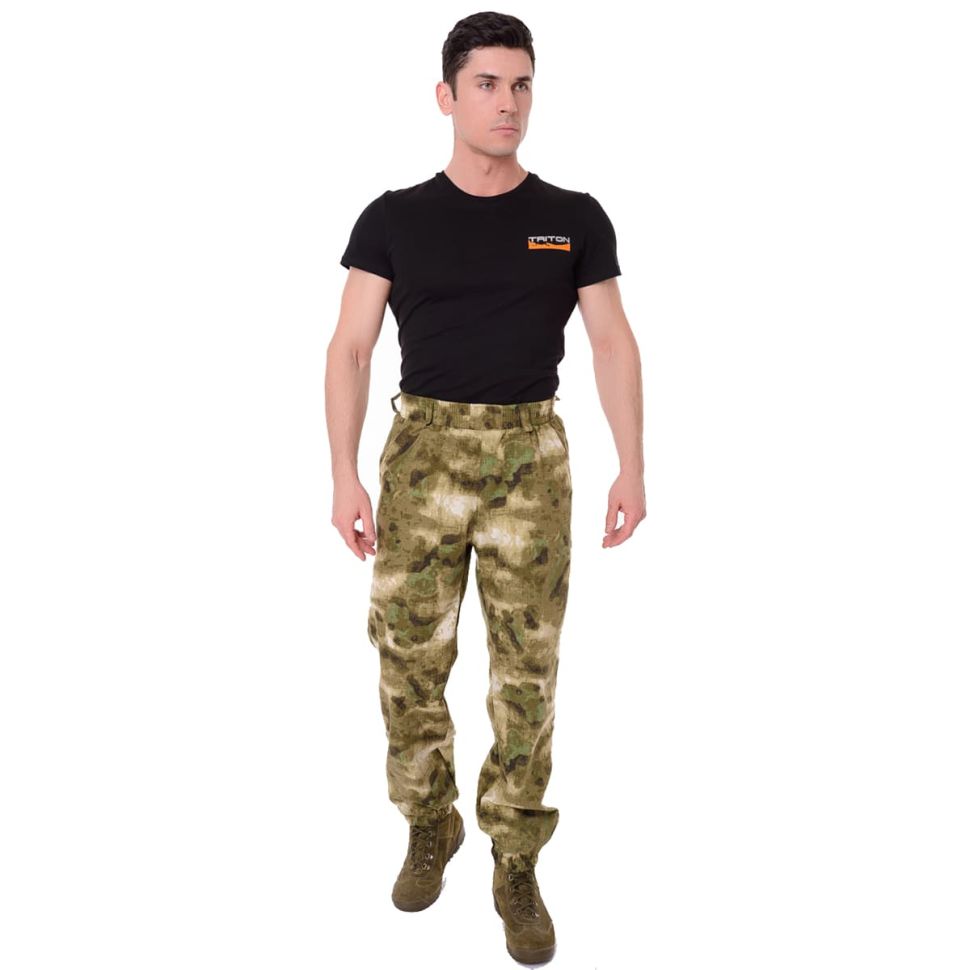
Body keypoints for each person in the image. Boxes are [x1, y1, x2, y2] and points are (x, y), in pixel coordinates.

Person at [327, 12, 646, 965]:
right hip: (422, 453)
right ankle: (431, 820)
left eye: (521, 85)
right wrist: (343, 473)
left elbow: (612, 342)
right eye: (487, 85)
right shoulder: (393, 217)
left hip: (529, 460)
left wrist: (632, 463)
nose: (507, 103)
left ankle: (516, 855)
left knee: (527, 672)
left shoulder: (574, 217)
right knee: (408, 659)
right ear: (446, 96)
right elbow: (350, 348)